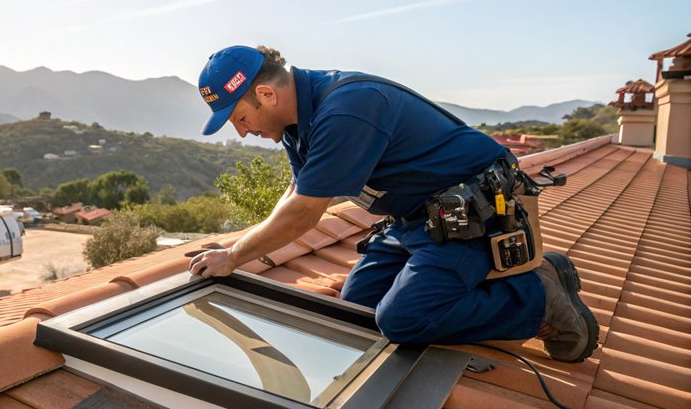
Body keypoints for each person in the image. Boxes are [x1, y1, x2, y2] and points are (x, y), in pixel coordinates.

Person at [188, 45, 598, 362]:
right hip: (415, 218)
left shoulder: (346, 109)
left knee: (402, 321)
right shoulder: (296, 124)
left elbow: (304, 213)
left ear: (265, 94)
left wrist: (234, 257)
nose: (242, 132)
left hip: (473, 214)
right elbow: (297, 192)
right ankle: (474, 284)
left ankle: (538, 296)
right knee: (358, 309)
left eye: (240, 118)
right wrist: (240, 246)